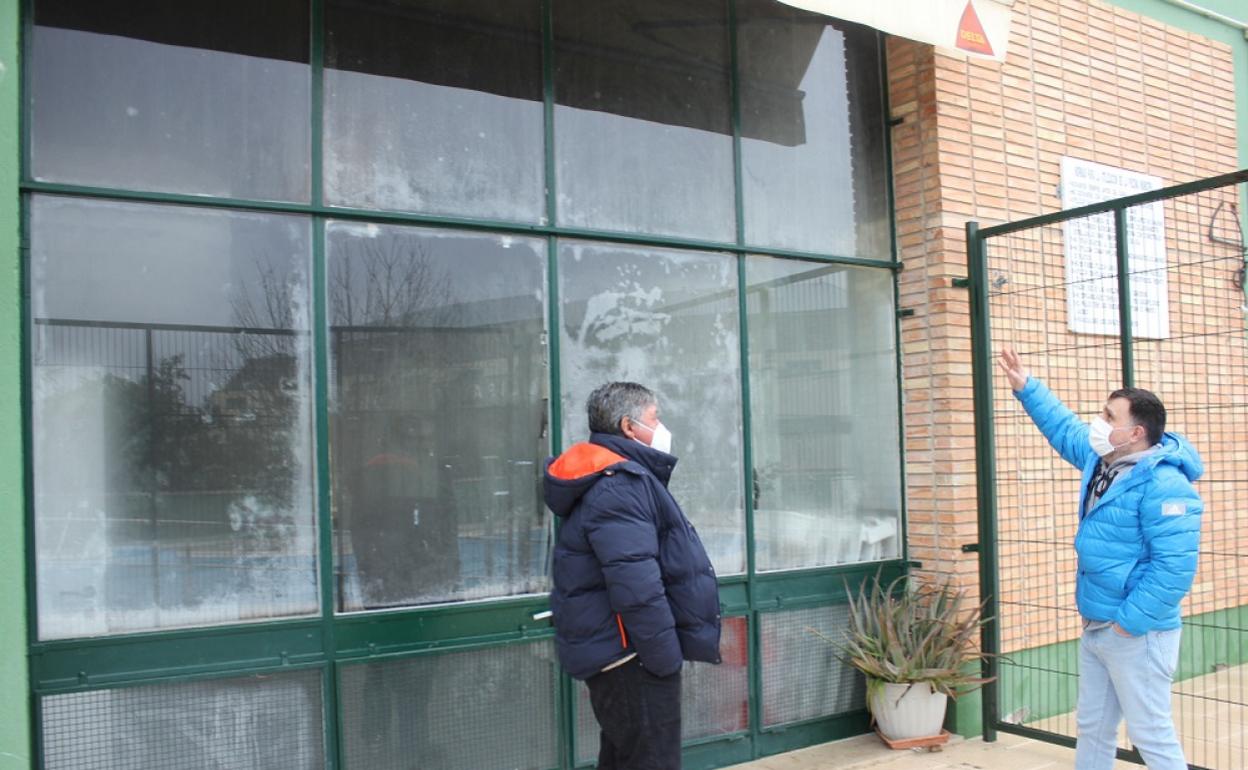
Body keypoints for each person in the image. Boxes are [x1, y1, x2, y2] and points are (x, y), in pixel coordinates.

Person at [998, 347, 1203, 770]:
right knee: (1092, 728)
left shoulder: (1166, 484)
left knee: (1151, 735)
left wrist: (1127, 624)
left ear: (1136, 432)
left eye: (1110, 416)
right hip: (1096, 623)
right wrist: (1027, 387)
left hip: (1136, 632)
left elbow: (1174, 568)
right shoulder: (1104, 460)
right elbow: (1064, 428)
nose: (1099, 421)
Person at [545, 382, 722, 770]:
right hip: (632, 656)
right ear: (629, 426)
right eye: (655, 418)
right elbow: (636, 586)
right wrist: (664, 660)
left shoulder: (614, 477)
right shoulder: (619, 485)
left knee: (624, 757)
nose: (662, 428)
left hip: (624, 653)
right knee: (651, 760)